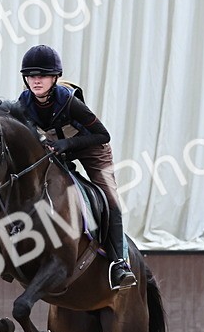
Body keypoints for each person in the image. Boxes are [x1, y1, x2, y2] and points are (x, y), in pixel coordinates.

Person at [16, 44, 137, 290]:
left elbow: (103, 135)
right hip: (57, 149)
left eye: (42, 76)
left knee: (110, 199)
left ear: (55, 78)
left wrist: (67, 143)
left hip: (92, 148)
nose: (35, 81)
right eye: (31, 76)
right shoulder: (24, 103)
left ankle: (120, 265)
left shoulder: (69, 102)